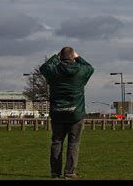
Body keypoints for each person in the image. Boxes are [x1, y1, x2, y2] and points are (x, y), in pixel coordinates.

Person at [39, 46, 94, 179]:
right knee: (73, 143)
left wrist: (55, 57)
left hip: (58, 113)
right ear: (72, 57)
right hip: (76, 112)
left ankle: (55, 172)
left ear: (61, 57)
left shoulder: (54, 71)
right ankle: (70, 172)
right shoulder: (80, 71)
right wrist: (78, 57)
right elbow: (90, 67)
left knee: (57, 142)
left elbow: (44, 67)